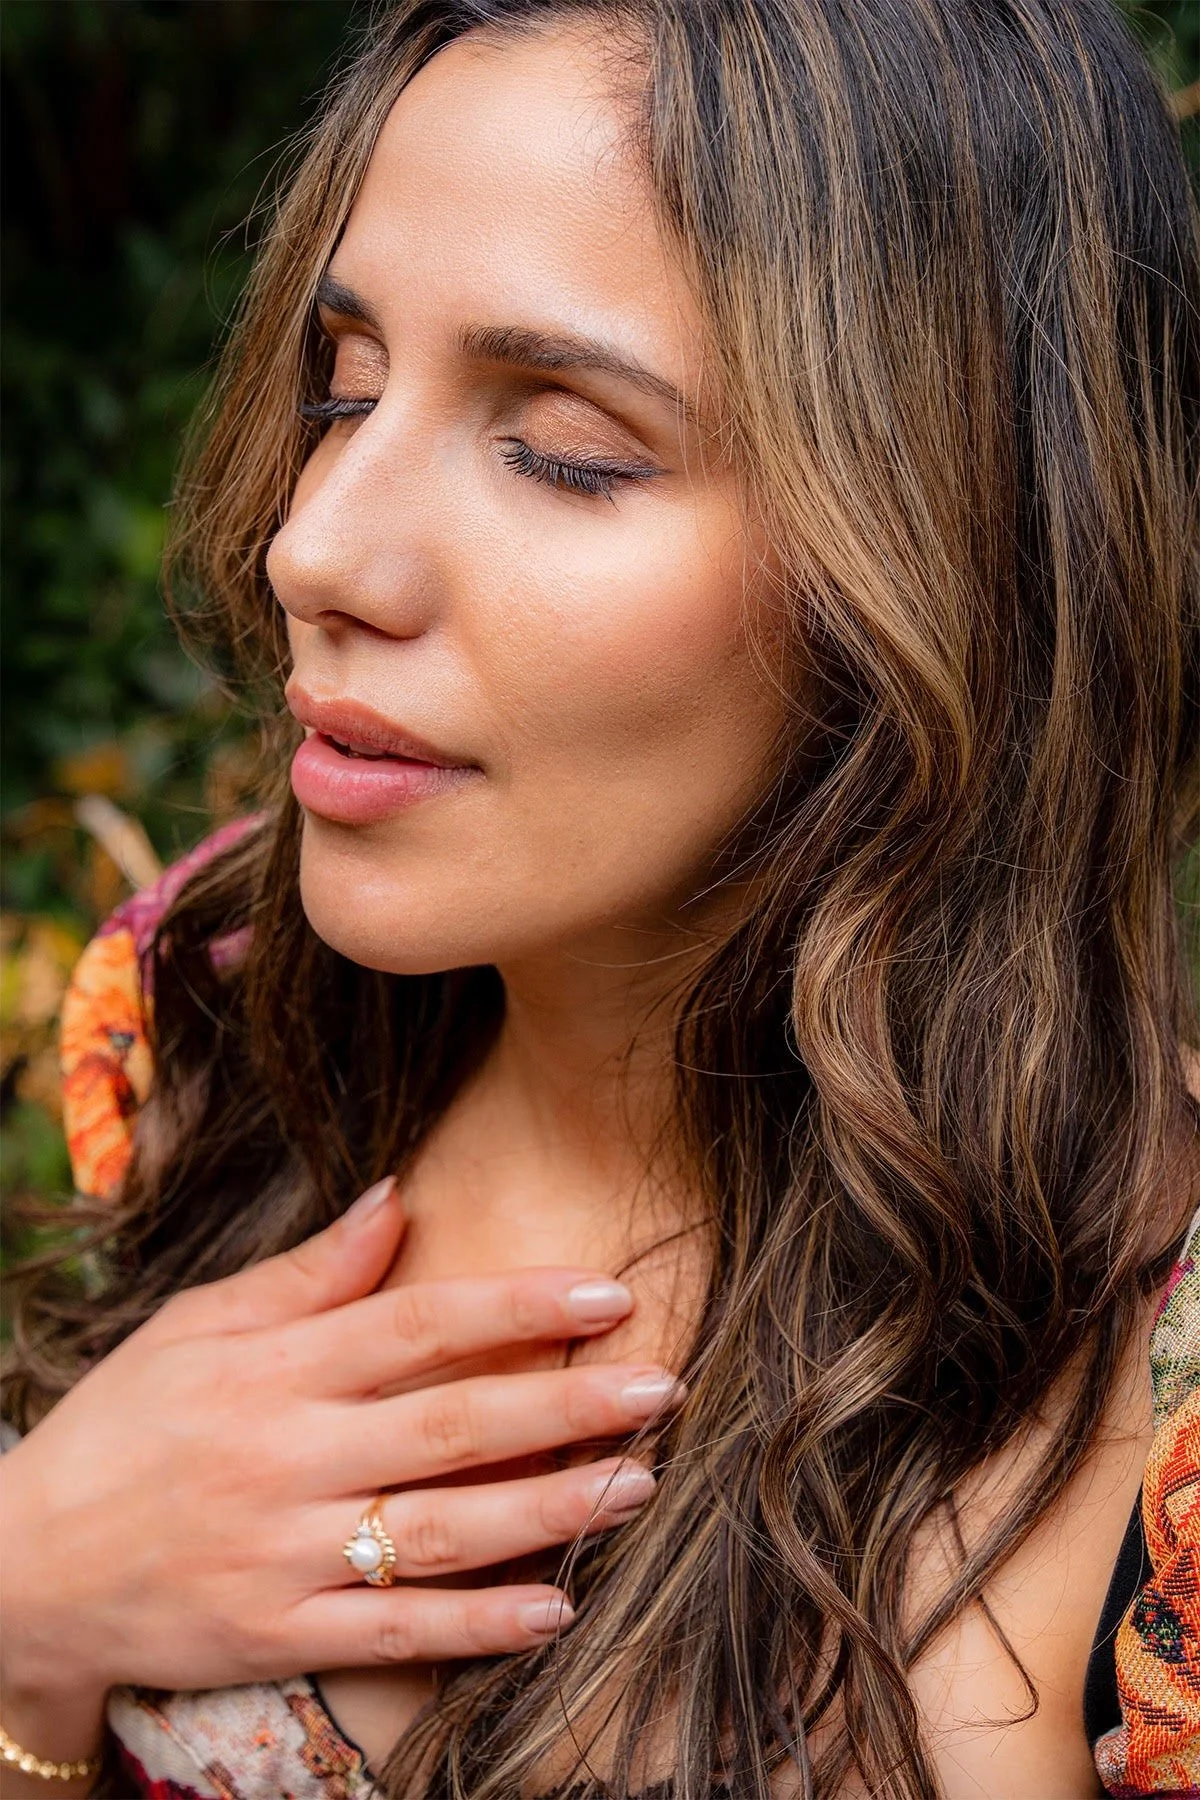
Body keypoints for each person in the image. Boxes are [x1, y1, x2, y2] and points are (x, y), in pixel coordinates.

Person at [2, 0, 1198, 1795]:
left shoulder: (1157, 1427)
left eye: (563, 443)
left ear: (952, 559)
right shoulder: (214, 1025)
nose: (313, 544)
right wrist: (35, 1603)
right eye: (343, 386)